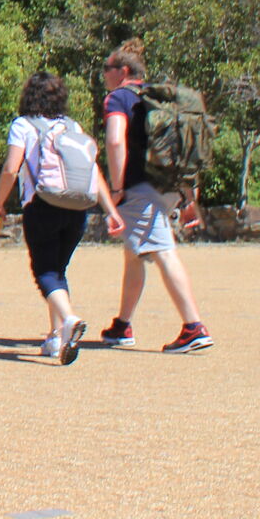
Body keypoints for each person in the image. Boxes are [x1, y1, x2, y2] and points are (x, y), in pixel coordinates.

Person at [0, 75, 123, 363]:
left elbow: (11, 169)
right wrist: (111, 211)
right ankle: (55, 337)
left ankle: (70, 319)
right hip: (77, 208)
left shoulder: (23, 125)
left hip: (42, 204)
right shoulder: (72, 126)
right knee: (59, 271)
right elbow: (94, 172)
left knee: (45, 273)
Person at [97, 40, 215, 353]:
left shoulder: (118, 98)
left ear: (122, 71)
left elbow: (114, 141)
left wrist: (117, 188)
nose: (103, 75)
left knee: (163, 251)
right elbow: (183, 151)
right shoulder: (161, 100)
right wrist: (189, 200)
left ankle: (193, 327)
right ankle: (122, 325)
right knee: (135, 252)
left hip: (139, 188)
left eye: (106, 69)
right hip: (169, 188)